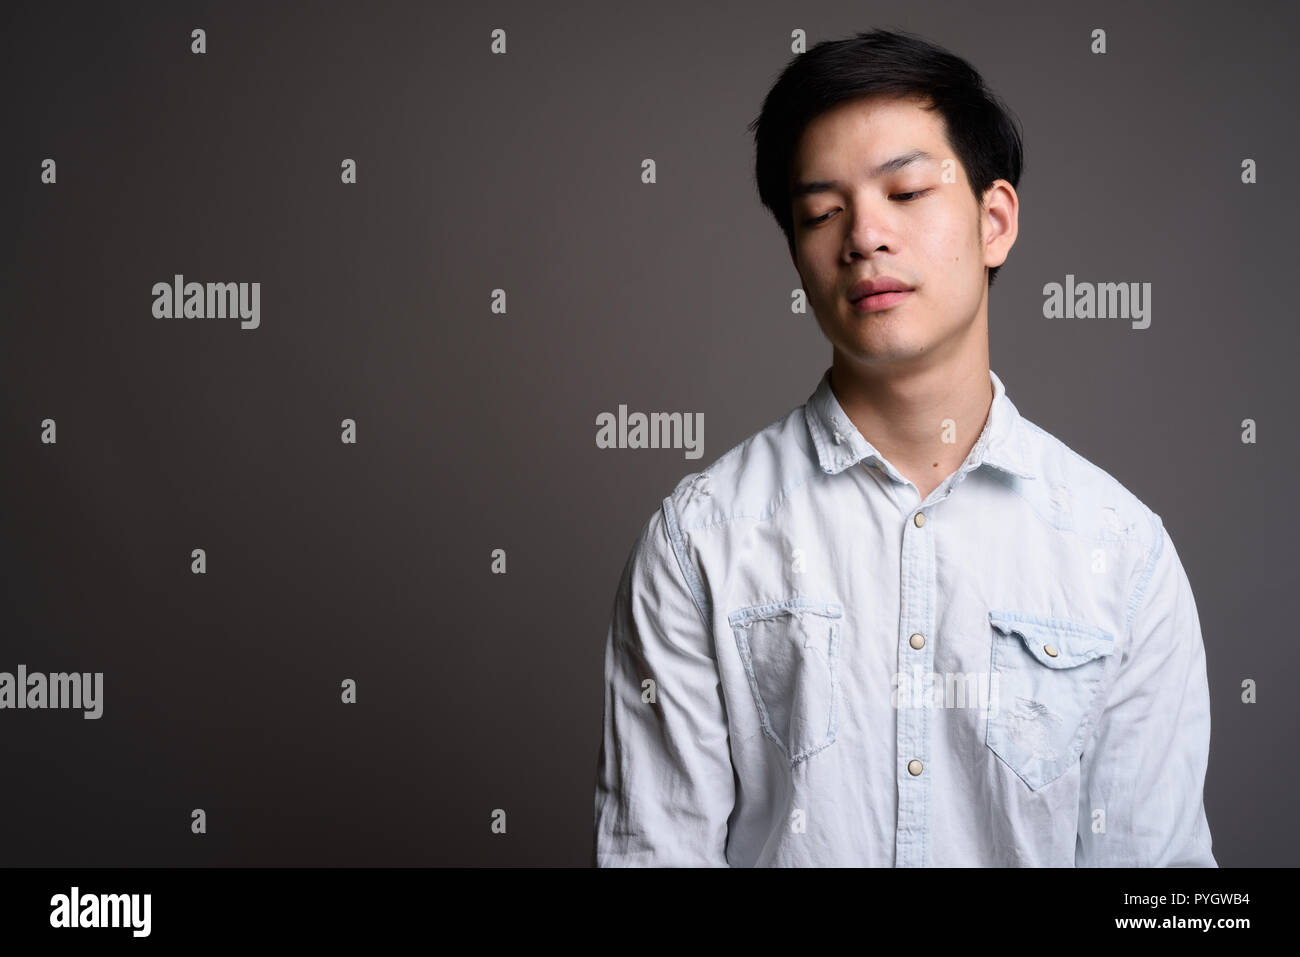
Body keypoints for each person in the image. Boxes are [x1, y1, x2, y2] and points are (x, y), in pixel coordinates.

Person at [593, 28, 1215, 867]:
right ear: (797, 253)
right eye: (821, 212)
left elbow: (1164, 889)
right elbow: (653, 852)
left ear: (994, 222)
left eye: (908, 192)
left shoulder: (1123, 552)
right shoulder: (701, 540)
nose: (864, 237)